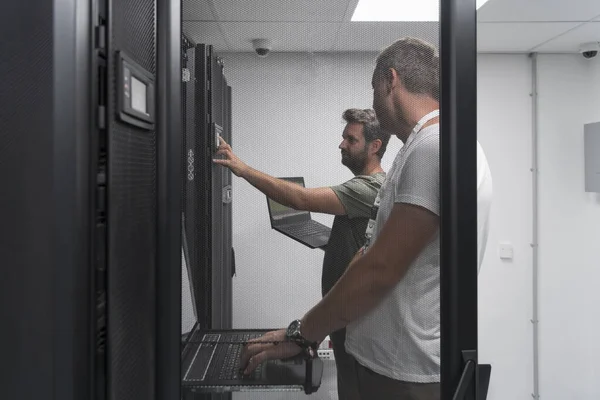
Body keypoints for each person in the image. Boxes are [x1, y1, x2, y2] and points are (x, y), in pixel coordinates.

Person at [238, 37, 493, 400]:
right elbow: (371, 255)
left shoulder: (432, 147)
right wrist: (309, 327)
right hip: (390, 362)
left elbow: (378, 270)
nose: (373, 101)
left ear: (390, 81)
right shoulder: (433, 145)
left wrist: (302, 333)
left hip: (400, 371)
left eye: (374, 88)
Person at [212, 108, 391, 400]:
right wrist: (335, 244)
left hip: (355, 330)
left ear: (375, 146)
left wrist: (242, 169)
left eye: (351, 139)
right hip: (344, 324)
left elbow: (301, 199)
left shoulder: (370, 187)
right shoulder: (373, 189)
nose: (342, 145)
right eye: (343, 138)